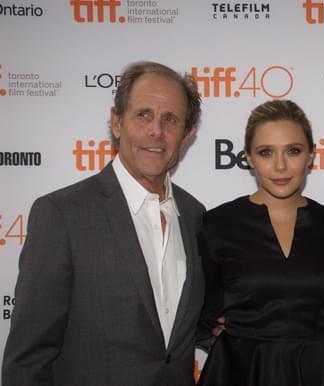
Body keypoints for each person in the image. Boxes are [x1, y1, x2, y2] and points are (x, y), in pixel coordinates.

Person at [2, 61, 206, 386]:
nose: (156, 130)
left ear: (187, 135)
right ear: (116, 121)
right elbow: (28, 359)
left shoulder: (196, 216)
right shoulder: (62, 215)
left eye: (170, 119)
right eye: (143, 115)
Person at [198, 99, 324, 386]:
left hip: (318, 373)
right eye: (266, 152)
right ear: (248, 157)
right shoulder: (217, 225)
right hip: (239, 372)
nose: (281, 166)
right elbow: (201, 312)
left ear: (310, 156)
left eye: (293, 151)